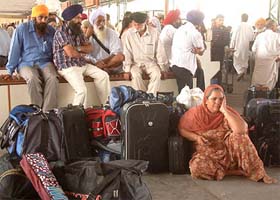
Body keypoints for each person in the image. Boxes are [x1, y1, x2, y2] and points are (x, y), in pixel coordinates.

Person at [179, 84, 277, 184]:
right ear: (206, 100)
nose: (218, 102)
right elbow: (182, 129)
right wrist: (196, 137)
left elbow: (241, 130)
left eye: (221, 99)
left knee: (241, 138)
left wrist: (224, 110)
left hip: (229, 154)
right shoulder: (195, 114)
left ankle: (258, 173)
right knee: (196, 168)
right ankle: (232, 172)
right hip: (209, 156)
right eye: (214, 99)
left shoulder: (227, 112)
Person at [53, 4, 110, 106]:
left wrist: (77, 48)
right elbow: (71, 53)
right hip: (67, 66)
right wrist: (79, 51)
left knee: (103, 76)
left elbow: (90, 48)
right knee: (82, 91)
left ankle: (106, 106)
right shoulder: (60, 32)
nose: (80, 20)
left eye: (80, 17)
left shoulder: (78, 31)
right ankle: (76, 116)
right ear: (69, 19)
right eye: (77, 18)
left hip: (81, 64)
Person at [5, 4, 58, 111]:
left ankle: (47, 112)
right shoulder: (21, 29)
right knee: (32, 78)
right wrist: (10, 70)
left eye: (45, 18)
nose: (43, 20)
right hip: (26, 63)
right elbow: (15, 50)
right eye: (40, 17)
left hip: (45, 62)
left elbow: (56, 51)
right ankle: (37, 111)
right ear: (34, 18)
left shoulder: (51, 30)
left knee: (53, 78)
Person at [123, 12, 168, 95]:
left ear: (145, 22)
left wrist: (163, 69)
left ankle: (150, 97)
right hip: (135, 63)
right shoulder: (129, 34)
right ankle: (142, 97)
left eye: (139, 25)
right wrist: (127, 70)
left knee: (157, 75)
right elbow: (127, 52)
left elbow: (160, 52)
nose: (136, 27)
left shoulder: (154, 33)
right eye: (135, 24)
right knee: (135, 76)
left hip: (151, 63)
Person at [171, 10, 205, 92]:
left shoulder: (179, 29)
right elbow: (200, 51)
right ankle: (201, 97)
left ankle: (200, 95)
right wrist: (198, 51)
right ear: (199, 22)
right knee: (186, 95)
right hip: (186, 67)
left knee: (200, 72)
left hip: (174, 64)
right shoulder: (195, 33)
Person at [87, 8, 125, 74]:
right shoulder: (88, 35)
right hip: (95, 63)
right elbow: (86, 54)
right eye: (99, 21)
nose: (102, 23)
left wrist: (103, 62)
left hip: (109, 63)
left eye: (103, 21)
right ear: (93, 22)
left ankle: (104, 68)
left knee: (120, 56)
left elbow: (116, 51)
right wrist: (86, 37)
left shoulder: (111, 32)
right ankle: (102, 68)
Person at [251, 19, 280, 90]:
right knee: (269, 82)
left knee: (258, 81)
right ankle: (268, 97)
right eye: (276, 26)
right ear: (273, 26)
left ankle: (256, 96)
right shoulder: (277, 36)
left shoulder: (259, 36)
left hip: (260, 63)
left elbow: (253, 49)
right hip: (272, 63)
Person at [230, 13, 254, 81]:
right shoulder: (250, 27)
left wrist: (231, 46)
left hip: (238, 46)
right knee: (245, 61)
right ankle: (242, 73)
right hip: (247, 47)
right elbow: (252, 37)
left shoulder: (238, 26)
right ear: (247, 19)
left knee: (236, 61)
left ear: (241, 18)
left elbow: (233, 37)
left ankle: (240, 72)